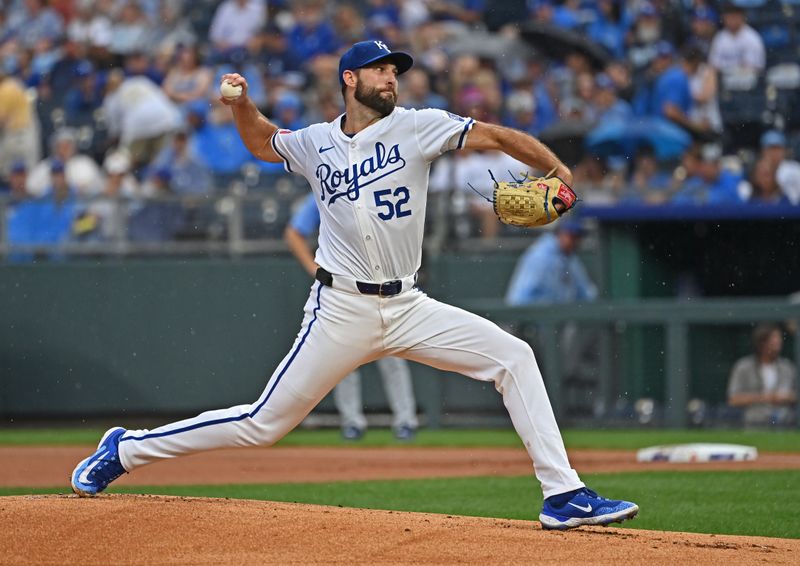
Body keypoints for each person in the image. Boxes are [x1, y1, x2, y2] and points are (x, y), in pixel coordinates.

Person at [71, 40, 638, 531]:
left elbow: (492, 134)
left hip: (409, 304)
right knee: (262, 425)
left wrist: (557, 170)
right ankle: (126, 449)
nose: (392, 77)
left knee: (513, 357)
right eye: (380, 69)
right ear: (351, 78)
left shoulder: (418, 125)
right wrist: (243, 104)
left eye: (395, 70)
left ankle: (562, 494)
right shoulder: (317, 142)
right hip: (340, 307)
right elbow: (263, 143)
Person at [284, 192, 419, 440]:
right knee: (342, 360)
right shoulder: (324, 190)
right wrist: (313, 268)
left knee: (393, 355)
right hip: (343, 287)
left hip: (380, 282)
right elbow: (293, 232)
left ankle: (405, 420)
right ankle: (352, 421)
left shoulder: (375, 182)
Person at [727, 324, 797, 428]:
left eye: (779, 340)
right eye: (773, 340)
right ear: (761, 343)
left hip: (784, 423)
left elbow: (794, 395)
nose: (778, 344)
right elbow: (733, 399)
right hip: (753, 422)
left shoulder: (787, 367)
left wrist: (787, 397)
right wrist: (767, 397)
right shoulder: (743, 367)